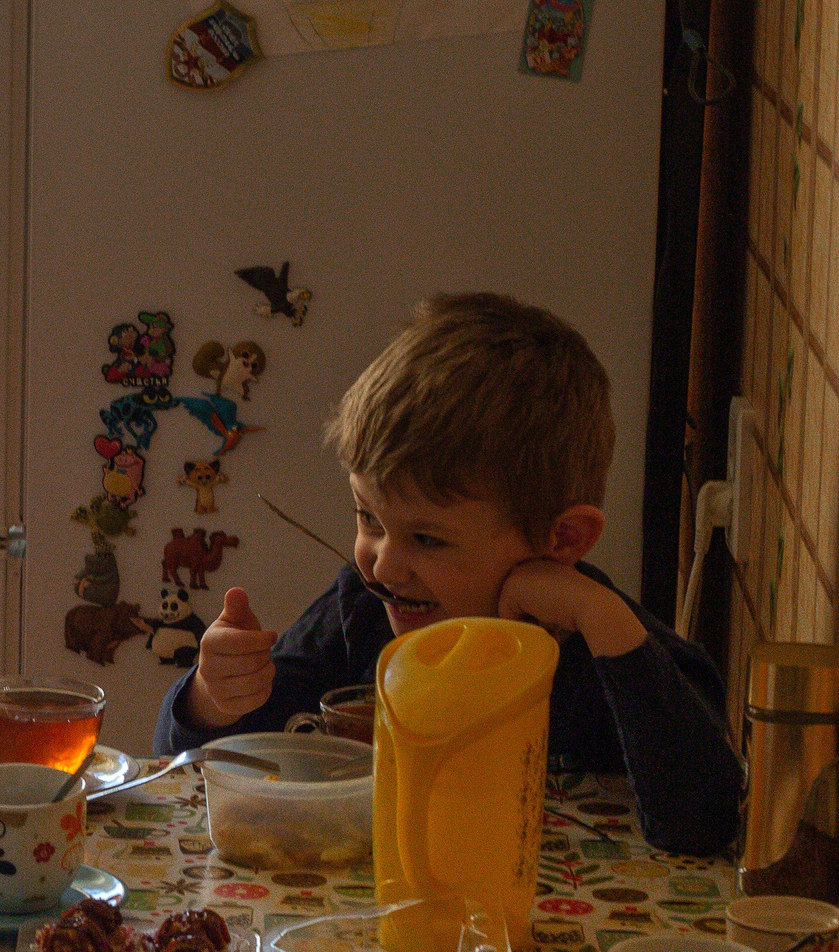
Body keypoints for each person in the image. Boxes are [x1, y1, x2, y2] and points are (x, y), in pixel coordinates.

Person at [156, 292, 743, 858]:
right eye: (368, 518)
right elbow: (209, 765)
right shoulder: (358, 614)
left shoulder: (616, 646)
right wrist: (213, 698)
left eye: (428, 538)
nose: (381, 564)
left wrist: (601, 616)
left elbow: (703, 825)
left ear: (562, 539)